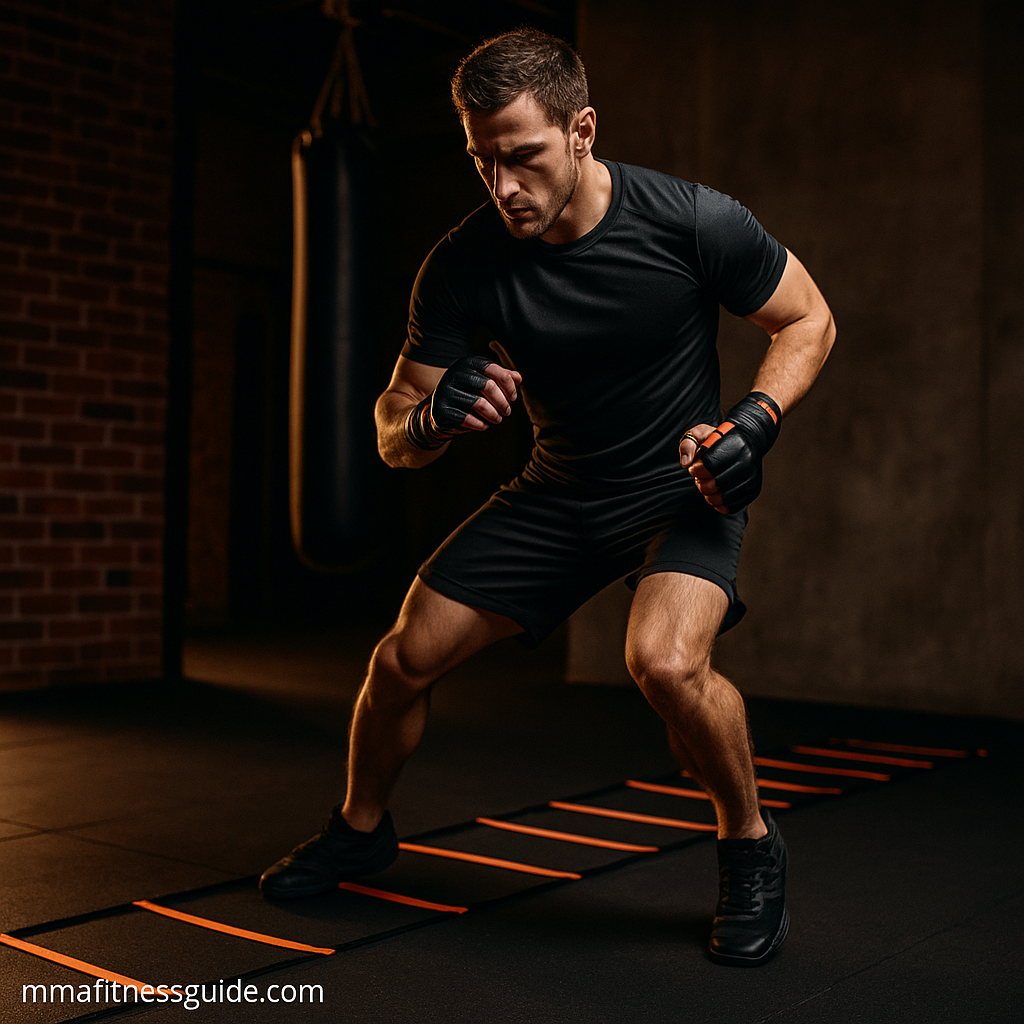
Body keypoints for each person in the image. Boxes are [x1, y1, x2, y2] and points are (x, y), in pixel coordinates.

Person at [261, 28, 835, 968]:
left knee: (663, 663)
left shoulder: (692, 220)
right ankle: (361, 827)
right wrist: (432, 418)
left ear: (581, 131)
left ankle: (749, 842)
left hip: (682, 486)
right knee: (401, 658)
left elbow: (809, 317)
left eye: (522, 157)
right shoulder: (463, 263)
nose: (504, 186)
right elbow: (390, 431)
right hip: (559, 494)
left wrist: (755, 422)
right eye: (483, 162)